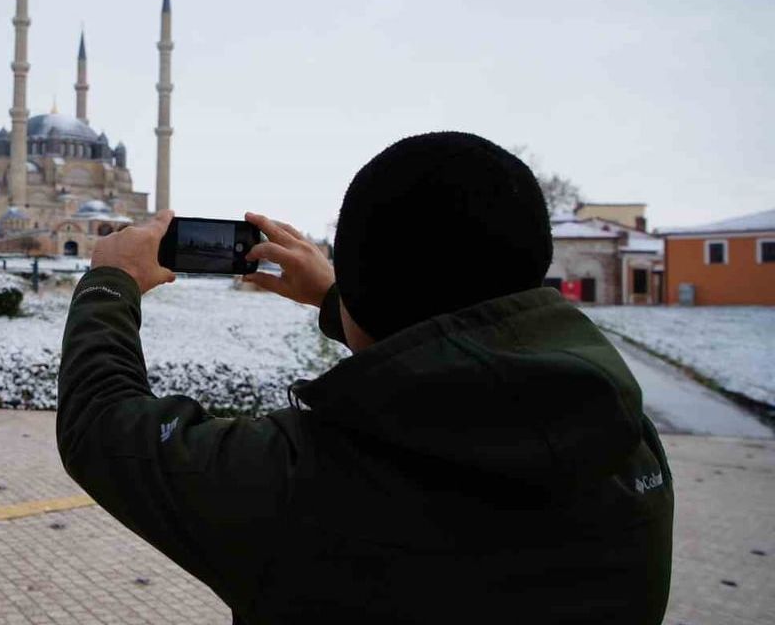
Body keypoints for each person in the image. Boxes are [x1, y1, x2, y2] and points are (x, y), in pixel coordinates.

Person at [56, 132, 672, 624]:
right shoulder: (627, 443)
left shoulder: (297, 483)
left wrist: (112, 280)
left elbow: (101, 423)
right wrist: (341, 300)